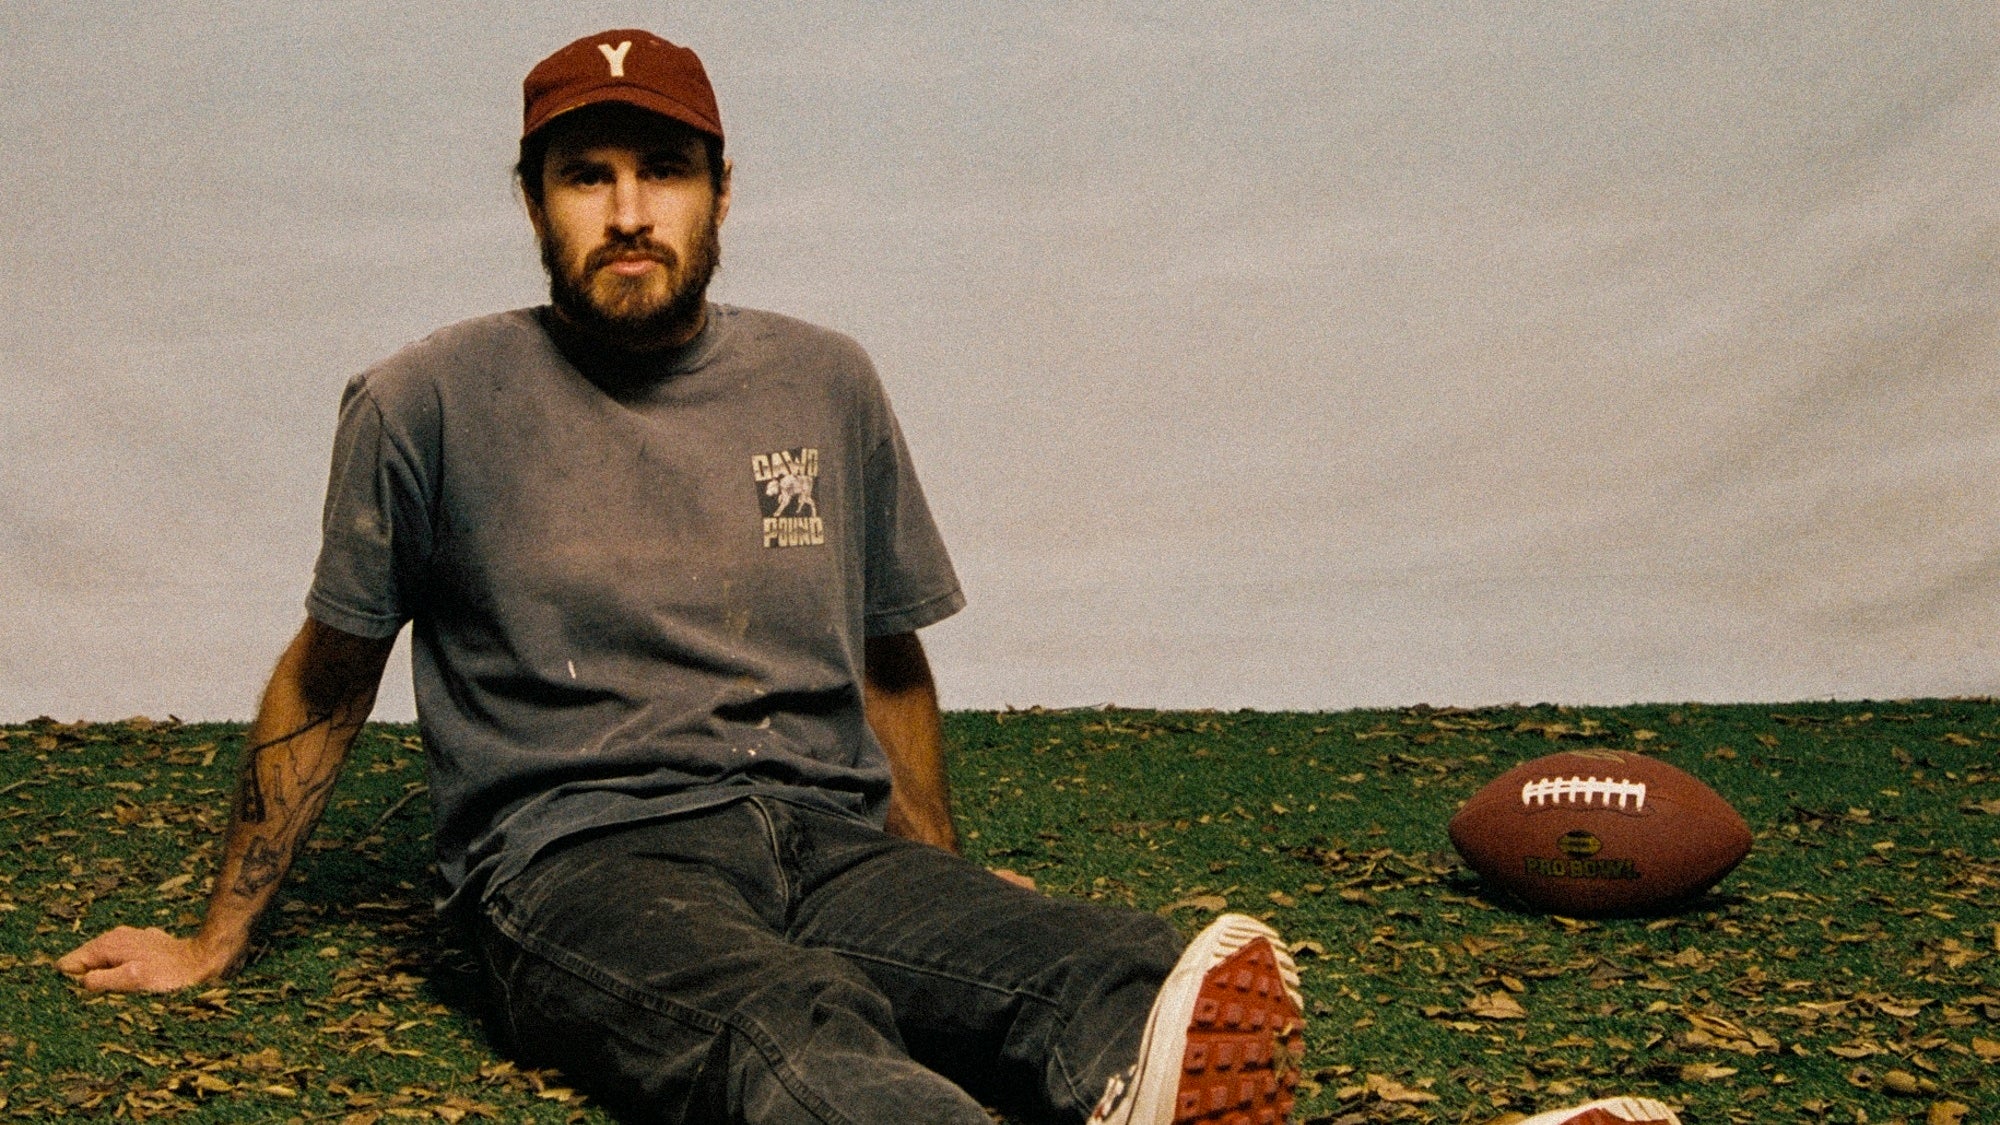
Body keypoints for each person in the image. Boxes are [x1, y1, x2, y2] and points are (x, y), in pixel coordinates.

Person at [58, 29, 1681, 1125]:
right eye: (586, 175)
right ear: (534, 202)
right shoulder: (425, 399)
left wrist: (947, 881)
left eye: (663, 169)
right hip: (577, 862)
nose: (628, 212)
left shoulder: (823, 379)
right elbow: (332, 667)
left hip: (823, 835)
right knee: (787, 1027)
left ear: (722, 187)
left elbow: (887, 656)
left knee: (1111, 971)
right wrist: (216, 934)